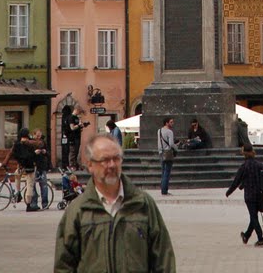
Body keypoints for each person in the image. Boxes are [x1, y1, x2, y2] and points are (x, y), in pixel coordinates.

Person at [54, 133, 176, 273]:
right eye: (105, 160)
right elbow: (64, 265)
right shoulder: (78, 211)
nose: (112, 165)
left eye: (116, 159)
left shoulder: (143, 204)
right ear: (90, 165)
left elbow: (163, 258)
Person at [225, 146, 263, 247]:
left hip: (249, 195)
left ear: (244, 153)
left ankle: (261, 239)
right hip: (260, 194)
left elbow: (236, 181)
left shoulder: (244, 166)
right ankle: (246, 235)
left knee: (253, 217)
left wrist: (229, 192)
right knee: (254, 217)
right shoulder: (259, 165)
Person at [1, 127, 39, 212]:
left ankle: (18, 193)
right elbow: (39, 144)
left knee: (17, 176)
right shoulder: (30, 144)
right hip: (30, 168)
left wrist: (4, 163)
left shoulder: (16, 144)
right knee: (30, 185)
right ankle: (28, 205)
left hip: (20, 167)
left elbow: (10, 154)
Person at [31, 128, 51, 211]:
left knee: (44, 186)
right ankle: (34, 203)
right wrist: (34, 153)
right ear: (34, 135)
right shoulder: (31, 143)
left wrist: (45, 152)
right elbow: (28, 155)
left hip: (42, 166)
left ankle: (45, 203)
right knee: (32, 186)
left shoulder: (43, 142)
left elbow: (48, 153)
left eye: (40, 135)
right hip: (34, 166)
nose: (39, 137)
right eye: (37, 135)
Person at [157, 116, 175, 196]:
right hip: (168, 153)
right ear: (166, 123)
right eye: (171, 122)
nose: (172, 123)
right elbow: (171, 144)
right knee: (167, 172)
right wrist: (176, 147)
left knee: (163, 171)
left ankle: (163, 189)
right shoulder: (169, 132)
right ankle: (164, 190)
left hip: (161, 152)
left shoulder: (159, 131)